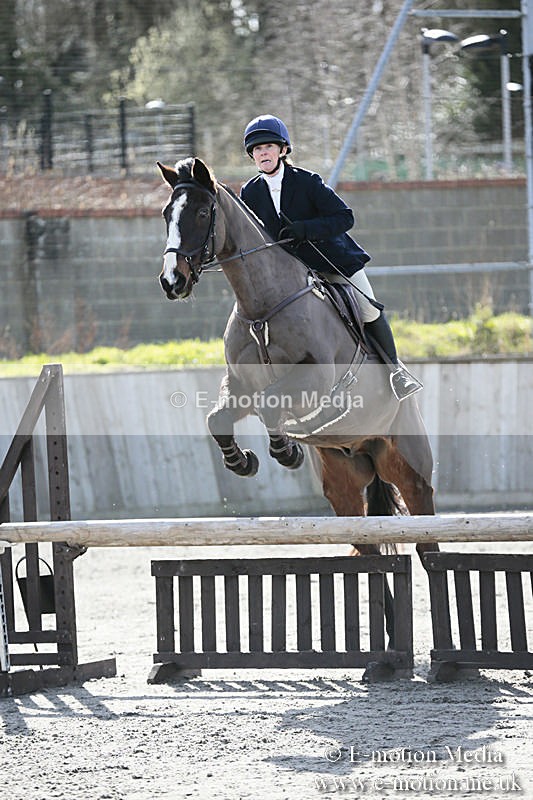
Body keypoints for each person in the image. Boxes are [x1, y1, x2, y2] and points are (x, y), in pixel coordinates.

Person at [239, 114, 422, 401]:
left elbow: (345, 217)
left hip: (332, 262)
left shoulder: (307, 181)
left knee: (367, 309)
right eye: (257, 149)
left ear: (283, 150)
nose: (263, 153)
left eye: (269, 147)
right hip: (291, 273)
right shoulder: (250, 192)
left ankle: (395, 372)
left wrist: (307, 229)